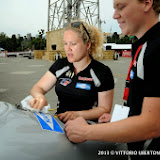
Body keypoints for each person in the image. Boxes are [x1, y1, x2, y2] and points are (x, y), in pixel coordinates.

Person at [65, 0, 160, 159]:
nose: (115, 15)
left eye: (121, 7)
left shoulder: (156, 48)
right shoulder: (143, 45)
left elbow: (153, 125)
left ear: (146, 3)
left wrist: (85, 131)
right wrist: (120, 119)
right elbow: (146, 105)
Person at [29, 20, 114, 123]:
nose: (68, 49)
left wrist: (77, 115)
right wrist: (39, 96)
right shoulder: (60, 65)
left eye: (73, 44)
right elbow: (38, 87)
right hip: (61, 125)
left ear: (87, 45)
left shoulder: (102, 72)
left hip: (88, 128)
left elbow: (104, 108)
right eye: (65, 43)